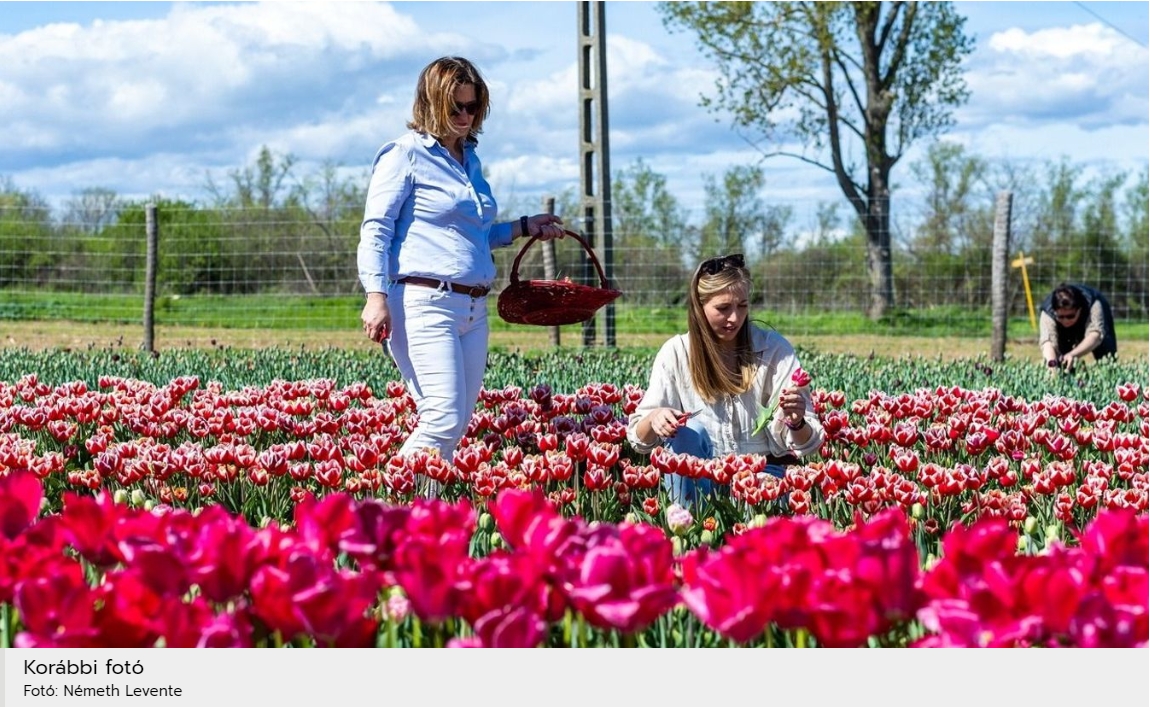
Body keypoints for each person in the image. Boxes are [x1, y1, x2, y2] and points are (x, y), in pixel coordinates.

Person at [357, 56, 565, 492]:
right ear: (431, 103)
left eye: (473, 107)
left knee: (454, 423)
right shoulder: (404, 155)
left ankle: (424, 519)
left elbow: (474, 236)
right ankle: (382, 506)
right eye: (456, 108)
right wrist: (375, 295)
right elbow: (375, 229)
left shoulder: (469, 159)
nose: (466, 117)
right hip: (423, 301)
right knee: (443, 415)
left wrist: (525, 227)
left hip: (473, 305)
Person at [626, 253, 825, 506]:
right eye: (723, 308)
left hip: (762, 473)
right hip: (700, 475)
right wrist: (654, 418)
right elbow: (638, 440)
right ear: (700, 307)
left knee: (763, 510)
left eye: (742, 306)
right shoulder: (676, 353)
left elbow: (808, 445)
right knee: (687, 433)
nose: (735, 318)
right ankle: (692, 529)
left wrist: (796, 423)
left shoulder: (773, 349)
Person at [1038, 283, 1117, 374]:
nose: (1065, 321)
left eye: (1070, 316)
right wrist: (1053, 370)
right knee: (1061, 361)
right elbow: (1048, 343)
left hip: (1092, 323)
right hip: (1061, 330)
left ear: (1079, 310)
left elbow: (1096, 335)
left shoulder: (1094, 304)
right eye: (1061, 316)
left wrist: (1073, 354)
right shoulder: (1048, 313)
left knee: (1107, 353)